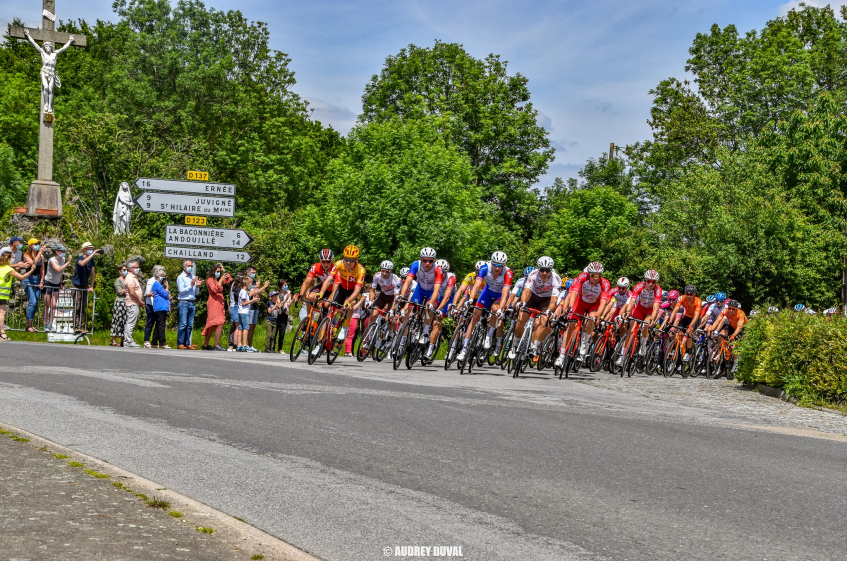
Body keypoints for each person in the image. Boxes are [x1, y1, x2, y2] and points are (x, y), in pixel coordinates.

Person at [457, 252, 513, 361]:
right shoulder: (484, 268)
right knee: (475, 316)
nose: (497, 268)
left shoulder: (508, 273)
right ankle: (464, 349)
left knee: (495, 309)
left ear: (504, 265)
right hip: (487, 292)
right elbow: (476, 286)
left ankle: (489, 335)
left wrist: (501, 309)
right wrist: (471, 300)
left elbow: (505, 292)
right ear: (491, 262)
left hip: (500, 294)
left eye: (500, 265)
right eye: (495, 264)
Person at [315, 245, 366, 354]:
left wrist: (348, 301)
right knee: (330, 312)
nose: (348, 262)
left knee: (351, 304)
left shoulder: (361, 270)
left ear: (356, 260)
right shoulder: (339, 264)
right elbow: (329, 279)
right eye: (346, 259)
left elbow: (357, 290)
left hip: (354, 292)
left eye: (351, 260)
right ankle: (320, 342)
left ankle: (345, 327)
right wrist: (321, 293)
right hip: (342, 289)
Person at [511, 256, 561, 361]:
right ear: (538, 269)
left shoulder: (556, 279)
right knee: (522, 318)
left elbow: (554, 300)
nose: (544, 272)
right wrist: (523, 302)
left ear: (551, 270)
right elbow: (526, 291)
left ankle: (534, 347)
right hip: (533, 297)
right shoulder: (533, 274)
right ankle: (515, 345)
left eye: (547, 270)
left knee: (544, 320)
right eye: (542, 270)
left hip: (546, 300)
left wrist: (549, 311)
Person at [0, 247, 39, 340]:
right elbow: (21, 277)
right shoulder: (7, 268)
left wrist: (21, 266)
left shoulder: (3, 267)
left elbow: (13, 271)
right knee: (2, 313)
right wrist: (31, 270)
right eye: (11, 258)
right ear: (8, 259)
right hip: (2, 293)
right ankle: (2, 332)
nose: (13, 260)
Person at [71, 242, 101, 333]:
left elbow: (92, 274)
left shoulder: (92, 261)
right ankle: (76, 326)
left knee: (83, 306)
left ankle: (81, 326)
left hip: (84, 285)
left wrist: (91, 286)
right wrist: (92, 254)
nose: (91, 250)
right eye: (89, 248)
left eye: (92, 249)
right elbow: (82, 263)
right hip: (76, 285)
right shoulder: (79, 258)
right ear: (84, 250)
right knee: (77, 306)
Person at [202, 263, 231, 351]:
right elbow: (214, 289)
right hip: (213, 303)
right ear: (213, 271)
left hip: (220, 304)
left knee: (216, 324)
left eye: (219, 271)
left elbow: (229, 279)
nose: (219, 273)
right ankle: (215, 344)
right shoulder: (210, 280)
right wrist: (220, 281)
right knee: (215, 323)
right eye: (217, 271)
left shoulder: (219, 279)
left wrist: (223, 269)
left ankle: (206, 345)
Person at [176, 259, 204, 350]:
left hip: (192, 302)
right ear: (184, 267)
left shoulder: (193, 276)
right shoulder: (181, 277)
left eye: (191, 266)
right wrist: (191, 285)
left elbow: (195, 293)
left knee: (189, 325)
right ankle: (180, 343)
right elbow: (181, 291)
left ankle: (187, 344)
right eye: (188, 266)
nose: (190, 267)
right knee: (183, 324)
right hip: (184, 302)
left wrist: (197, 286)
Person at [42, 244, 70, 332]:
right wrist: (68, 263)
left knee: (53, 305)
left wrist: (61, 283)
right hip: (48, 283)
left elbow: (61, 273)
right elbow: (58, 269)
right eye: (63, 251)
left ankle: (50, 324)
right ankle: (45, 324)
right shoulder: (52, 260)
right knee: (47, 305)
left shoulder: (63, 259)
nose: (64, 253)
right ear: (57, 252)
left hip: (56, 284)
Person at [21, 239, 45, 332]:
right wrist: (40, 253)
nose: (38, 245)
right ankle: (29, 325)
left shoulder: (41, 256)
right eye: (35, 244)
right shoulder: (26, 254)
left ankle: (30, 323)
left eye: (38, 244)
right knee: (33, 302)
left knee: (35, 303)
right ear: (30, 245)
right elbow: (33, 264)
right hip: (28, 280)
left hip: (37, 279)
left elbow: (42, 269)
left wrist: (42, 280)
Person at [245, 266, 269, 350]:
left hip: (255, 305)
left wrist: (258, 288)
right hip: (249, 306)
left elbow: (256, 293)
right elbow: (253, 292)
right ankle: (246, 345)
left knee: (253, 326)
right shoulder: (246, 281)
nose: (254, 275)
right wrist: (264, 286)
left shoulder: (254, 281)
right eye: (252, 273)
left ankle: (250, 345)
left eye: (255, 273)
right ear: (247, 272)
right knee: (248, 326)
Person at [345, 285, 372, 356]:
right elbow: (352, 308)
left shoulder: (357, 299)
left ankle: (349, 351)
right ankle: (348, 351)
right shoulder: (353, 300)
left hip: (356, 318)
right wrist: (361, 301)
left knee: (352, 335)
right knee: (350, 335)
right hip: (352, 318)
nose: (360, 295)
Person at [149, 265, 172, 349]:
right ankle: (162, 342)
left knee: (158, 325)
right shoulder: (156, 284)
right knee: (161, 325)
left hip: (163, 306)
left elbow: (166, 294)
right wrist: (167, 287)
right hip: (160, 307)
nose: (163, 278)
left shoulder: (160, 285)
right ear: (157, 276)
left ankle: (154, 342)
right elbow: (164, 294)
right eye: (162, 276)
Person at [123, 260, 144, 348]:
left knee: (130, 322)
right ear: (131, 268)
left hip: (134, 303)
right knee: (130, 322)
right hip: (132, 303)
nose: (138, 269)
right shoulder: (130, 278)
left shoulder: (133, 277)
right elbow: (132, 292)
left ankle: (127, 340)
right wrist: (139, 302)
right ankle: (128, 340)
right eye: (136, 267)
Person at [237, 275, 260, 352]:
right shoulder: (244, 292)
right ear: (247, 284)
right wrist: (253, 301)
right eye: (250, 284)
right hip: (244, 312)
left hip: (240, 311)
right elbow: (244, 303)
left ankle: (239, 344)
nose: (251, 286)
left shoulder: (243, 291)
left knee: (240, 328)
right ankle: (244, 345)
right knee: (246, 328)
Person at [110, 263, 129, 346]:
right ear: (120, 271)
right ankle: (113, 340)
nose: (126, 271)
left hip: (127, 302)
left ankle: (123, 340)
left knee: (125, 321)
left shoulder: (128, 279)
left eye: (126, 270)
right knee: (117, 320)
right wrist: (127, 286)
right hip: (120, 302)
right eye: (124, 270)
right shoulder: (118, 280)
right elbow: (120, 292)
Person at [228, 271, 246, 350]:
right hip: (234, 306)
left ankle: (236, 344)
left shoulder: (236, 287)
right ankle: (233, 344)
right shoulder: (237, 288)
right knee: (236, 327)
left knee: (237, 327)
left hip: (236, 306)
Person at [274, 279, 292, 353]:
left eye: (286, 285)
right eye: (284, 285)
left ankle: (280, 348)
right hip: (278, 313)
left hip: (285, 313)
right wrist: (286, 298)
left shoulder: (288, 292)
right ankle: (272, 347)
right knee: (275, 332)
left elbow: (289, 304)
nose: (286, 286)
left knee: (282, 332)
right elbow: (279, 304)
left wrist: (293, 299)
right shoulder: (277, 294)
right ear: (281, 286)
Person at [143, 269, 157, 348]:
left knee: (159, 324)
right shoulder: (151, 281)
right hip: (151, 304)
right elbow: (146, 293)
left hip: (158, 305)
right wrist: (150, 294)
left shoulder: (164, 281)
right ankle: (146, 340)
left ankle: (154, 341)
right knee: (150, 322)